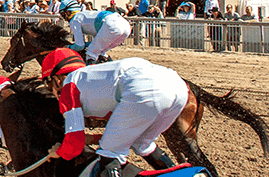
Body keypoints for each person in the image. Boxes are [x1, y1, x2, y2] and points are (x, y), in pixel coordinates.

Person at [42, 49, 185, 177]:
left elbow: (74, 145)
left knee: (109, 155)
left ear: (55, 79)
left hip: (144, 90)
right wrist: (92, 139)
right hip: (178, 87)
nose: (54, 93)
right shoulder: (94, 76)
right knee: (142, 143)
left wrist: (59, 152)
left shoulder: (69, 85)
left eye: (50, 87)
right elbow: (125, 133)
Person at [60, 0, 132, 64]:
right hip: (125, 25)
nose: (64, 19)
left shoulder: (74, 19)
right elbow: (88, 43)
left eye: (63, 15)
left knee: (91, 53)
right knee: (101, 52)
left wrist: (68, 47)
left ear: (68, 12)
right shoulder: (83, 14)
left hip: (111, 24)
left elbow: (79, 45)